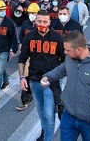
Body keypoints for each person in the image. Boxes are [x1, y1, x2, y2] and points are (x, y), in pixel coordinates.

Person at [41, 30, 90, 141]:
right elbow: (64, 68)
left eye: (67, 50)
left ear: (79, 50)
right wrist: (48, 77)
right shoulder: (70, 57)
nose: (64, 52)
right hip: (68, 116)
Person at [18, 9, 65, 141]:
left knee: (50, 115)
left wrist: (64, 79)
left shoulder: (57, 37)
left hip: (51, 82)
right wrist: (22, 77)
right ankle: (44, 131)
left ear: (50, 22)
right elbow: (22, 58)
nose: (42, 24)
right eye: (39, 21)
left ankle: (48, 138)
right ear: (35, 21)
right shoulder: (29, 37)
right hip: (34, 81)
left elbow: (64, 60)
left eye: (45, 21)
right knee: (41, 111)